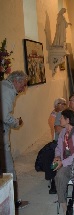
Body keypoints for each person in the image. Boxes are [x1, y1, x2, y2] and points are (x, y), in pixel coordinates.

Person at [0, 70, 29, 209]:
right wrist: (16, 122)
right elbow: (4, 116)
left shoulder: (4, 86)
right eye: (22, 85)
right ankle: (13, 201)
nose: (23, 89)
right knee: (8, 167)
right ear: (16, 81)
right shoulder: (7, 90)